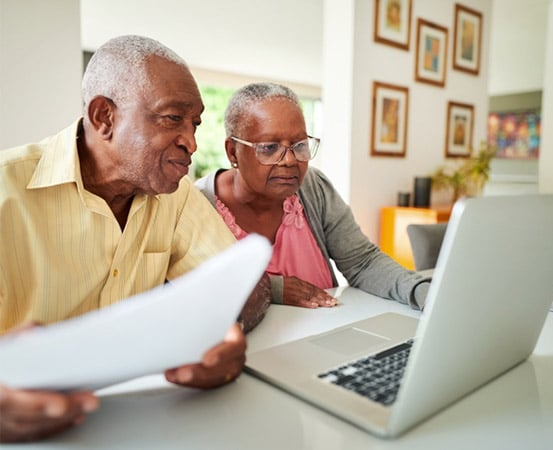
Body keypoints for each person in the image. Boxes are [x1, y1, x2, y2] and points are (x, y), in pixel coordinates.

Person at [0, 35, 270, 443]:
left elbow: (243, 287)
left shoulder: (175, 194)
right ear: (104, 116)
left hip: (146, 424)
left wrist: (222, 334)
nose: (192, 143)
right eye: (171, 118)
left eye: (194, 124)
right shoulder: (6, 190)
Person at [195, 82, 430, 309]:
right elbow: (203, 293)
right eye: (268, 148)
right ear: (232, 151)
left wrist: (422, 293)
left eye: (299, 145)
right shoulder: (197, 205)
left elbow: (362, 263)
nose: (289, 160)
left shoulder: (312, 187)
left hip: (327, 335)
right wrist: (275, 289)